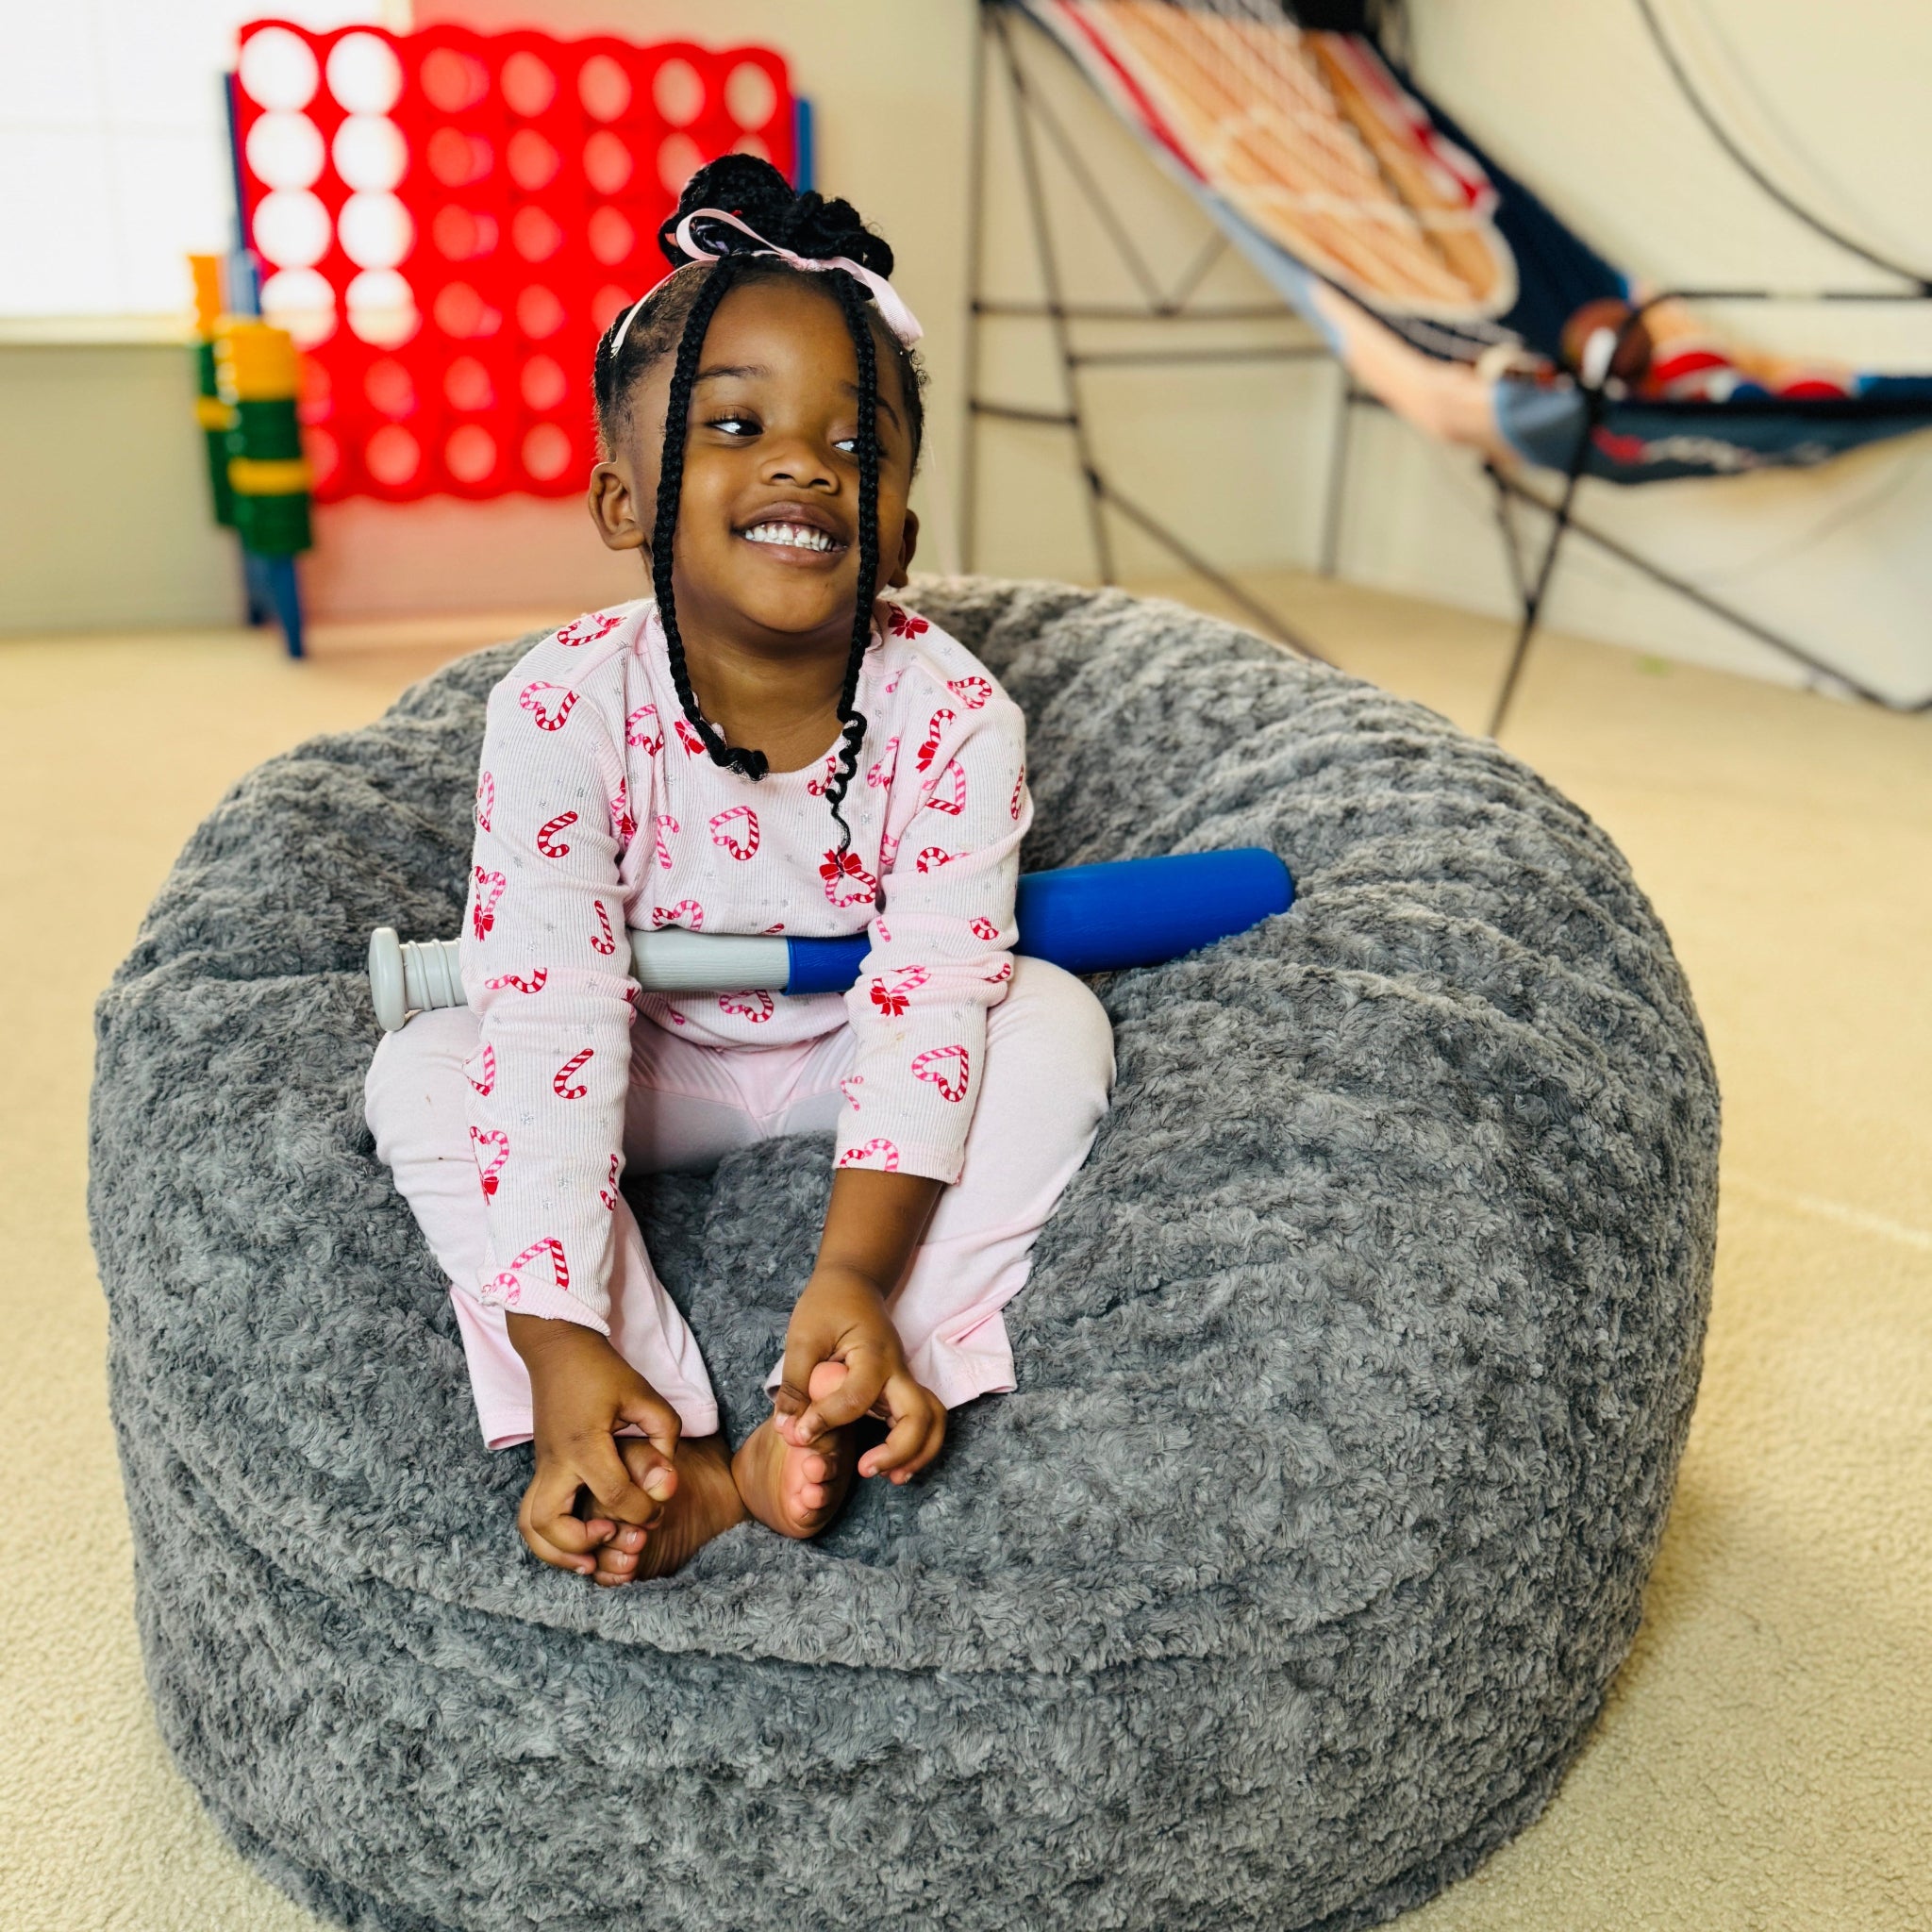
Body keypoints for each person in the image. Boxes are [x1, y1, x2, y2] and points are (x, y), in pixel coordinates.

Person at [362, 158, 1114, 1584]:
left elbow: (936, 991)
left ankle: (849, 1401)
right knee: (422, 1067)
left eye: (857, 443)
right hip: (651, 1061)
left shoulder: (953, 715)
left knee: (1051, 1018)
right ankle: (648, 1436)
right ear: (622, 502)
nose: (803, 463)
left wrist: (854, 1276)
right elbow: (550, 1019)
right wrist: (561, 1333)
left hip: (860, 1051)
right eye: (735, 424)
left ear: (898, 531)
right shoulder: (560, 709)